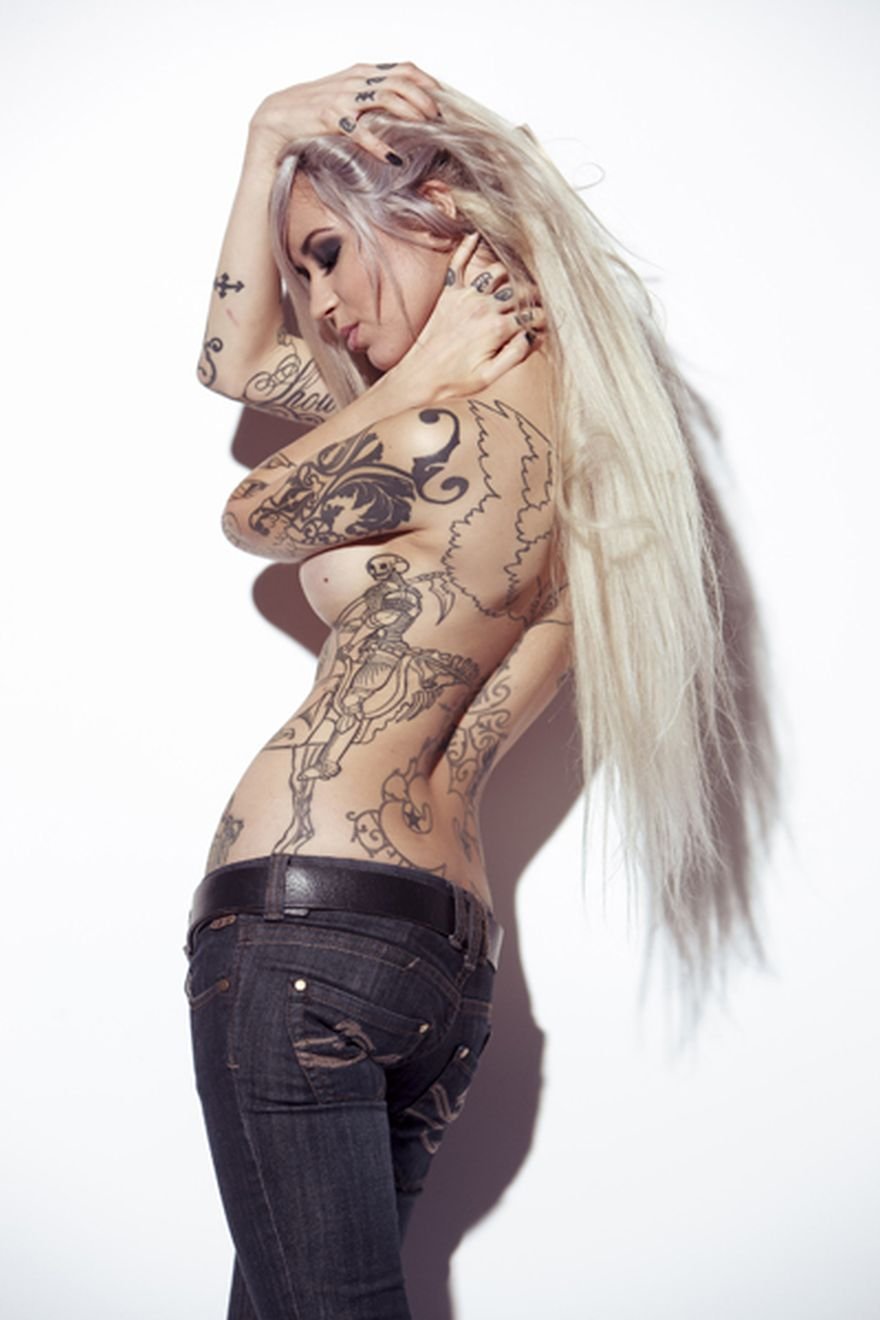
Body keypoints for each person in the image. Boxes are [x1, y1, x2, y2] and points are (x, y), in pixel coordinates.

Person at [186, 62, 780, 1319]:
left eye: (330, 254)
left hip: (308, 931)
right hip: (442, 979)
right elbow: (233, 369)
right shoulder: (600, 437)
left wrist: (414, 376)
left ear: (441, 210)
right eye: (301, 275)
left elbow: (252, 510)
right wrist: (266, 142)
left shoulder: (432, 427)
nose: (320, 304)